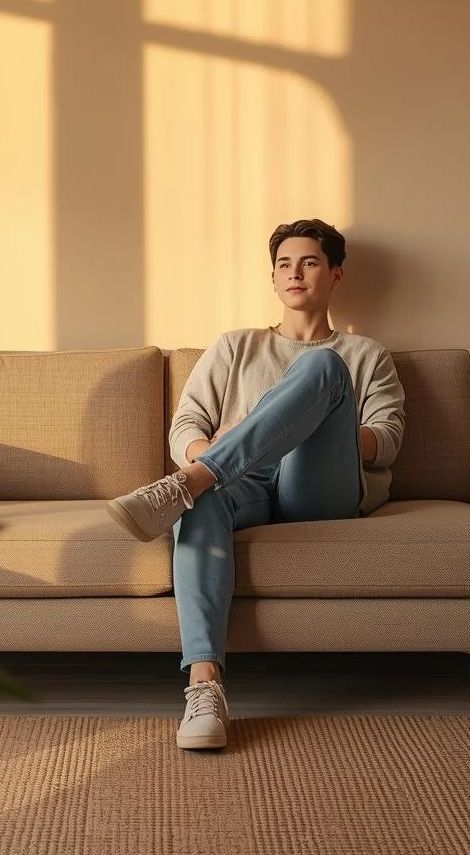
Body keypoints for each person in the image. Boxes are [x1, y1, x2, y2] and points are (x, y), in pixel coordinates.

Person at [106, 219, 406, 751]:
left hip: (322, 488)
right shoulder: (234, 347)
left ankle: (188, 483)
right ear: (273, 279)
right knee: (200, 501)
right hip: (244, 482)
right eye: (284, 265)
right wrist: (217, 453)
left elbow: (386, 440)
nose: (295, 273)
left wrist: (311, 429)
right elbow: (185, 430)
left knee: (323, 367)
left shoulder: (364, 356)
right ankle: (205, 687)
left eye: (309, 262)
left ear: (335, 274)